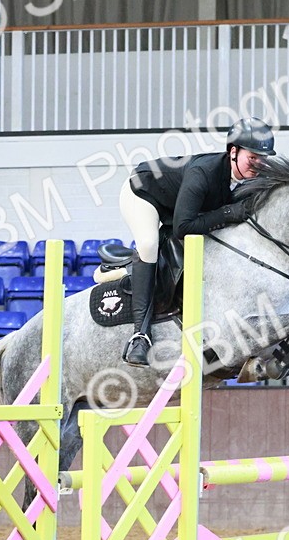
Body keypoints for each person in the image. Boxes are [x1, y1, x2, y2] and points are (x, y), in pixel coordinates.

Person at [117, 117, 276, 366]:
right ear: (233, 152)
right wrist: (227, 213)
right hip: (144, 194)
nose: (258, 164)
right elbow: (183, 228)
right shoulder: (203, 173)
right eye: (253, 157)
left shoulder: (256, 177)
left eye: (263, 158)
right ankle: (140, 336)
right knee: (148, 244)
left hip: (180, 206)